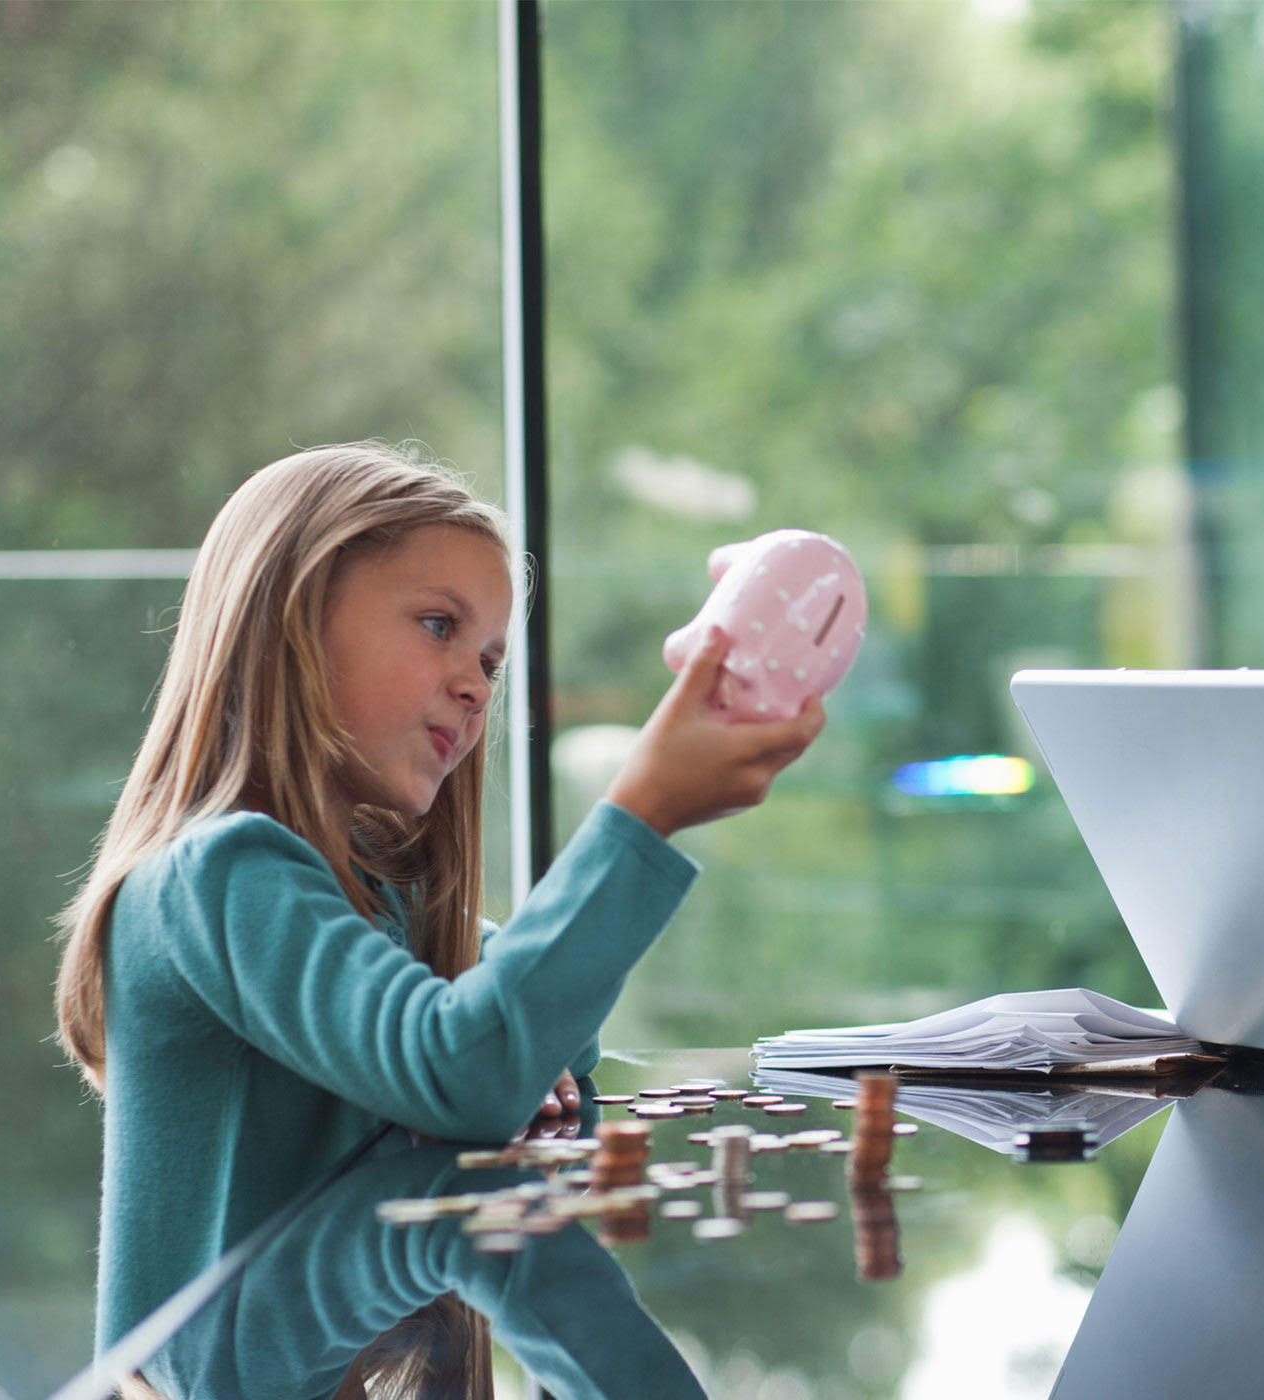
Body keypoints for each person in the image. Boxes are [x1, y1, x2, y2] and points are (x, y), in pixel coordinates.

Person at [54, 442, 824, 1350]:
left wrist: (504, 1022)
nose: (473, 682)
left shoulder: (369, 898)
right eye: (436, 625)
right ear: (293, 617)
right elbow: (467, 1073)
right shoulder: (216, 875)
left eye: (492, 661)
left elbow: (547, 1048)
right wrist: (642, 815)